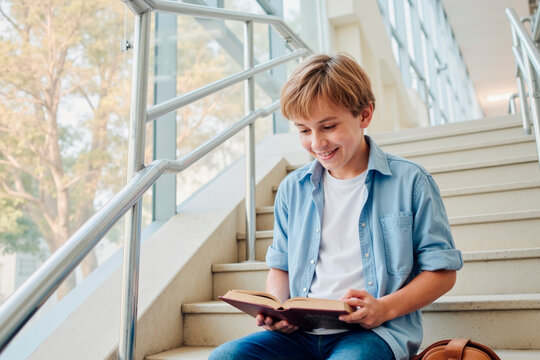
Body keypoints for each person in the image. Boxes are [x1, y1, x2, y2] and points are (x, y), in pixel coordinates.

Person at [209, 53, 463, 360]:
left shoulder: (411, 181)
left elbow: (443, 272)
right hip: (298, 335)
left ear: (364, 115)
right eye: (304, 130)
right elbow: (281, 267)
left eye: (328, 127)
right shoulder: (293, 189)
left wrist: (384, 309)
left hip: (373, 333)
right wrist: (278, 309)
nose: (316, 142)